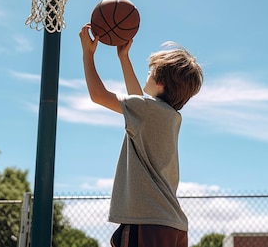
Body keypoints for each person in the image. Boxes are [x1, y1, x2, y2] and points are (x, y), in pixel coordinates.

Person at [79, 24, 204, 247]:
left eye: (150, 71)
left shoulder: (146, 111)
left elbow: (98, 95)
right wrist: (123, 58)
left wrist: (88, 54)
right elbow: (138, 100)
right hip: (172, 225)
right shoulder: (169, 116)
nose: (147, 73)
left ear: (160, 83)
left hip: (147, 224)